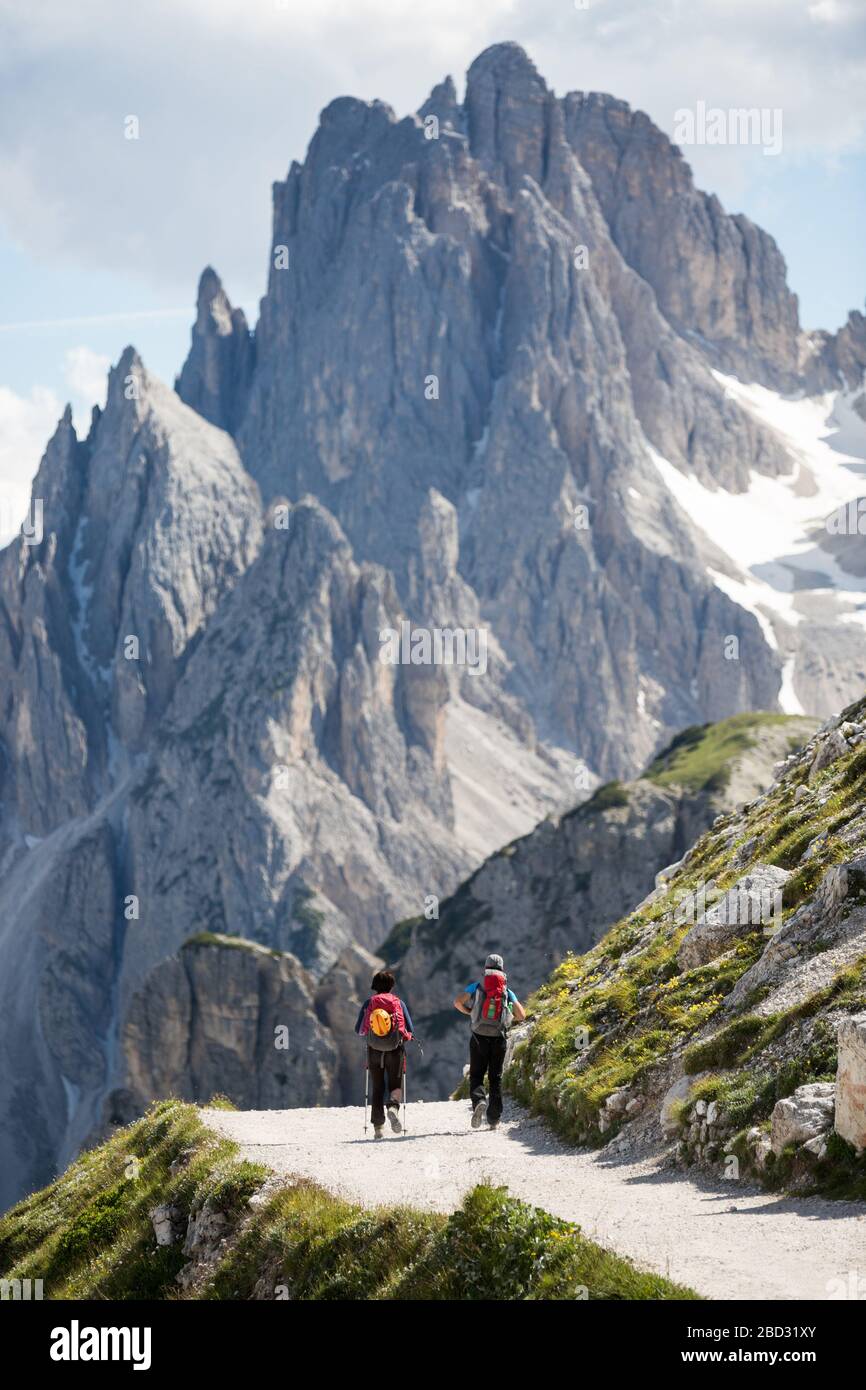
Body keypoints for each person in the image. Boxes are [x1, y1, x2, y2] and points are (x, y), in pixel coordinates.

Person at [454, 953, 525, 1129]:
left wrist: (470, 1012)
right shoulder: (507, 991)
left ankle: (478, 1101)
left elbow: (457, 1002)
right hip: (498, 1038)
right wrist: (508, 1019)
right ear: (502, 969)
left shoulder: (477, 986)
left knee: (477, 1074)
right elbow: (522, 1015)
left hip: (478, 1037)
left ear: (486, 969)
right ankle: (494, 1120)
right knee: (496, 1078)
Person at [355, 969, 414, 1138]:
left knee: (377, 1086)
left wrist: (373, 1032)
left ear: (375, 985)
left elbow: (358, 1030)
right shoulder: (399, 1003)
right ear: (391, 986)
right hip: (395, 1050)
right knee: (395, 1085)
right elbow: (409, 1029)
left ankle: (378, 1127)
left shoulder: (369, 1003)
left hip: (374, 1050)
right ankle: (393, 1108)